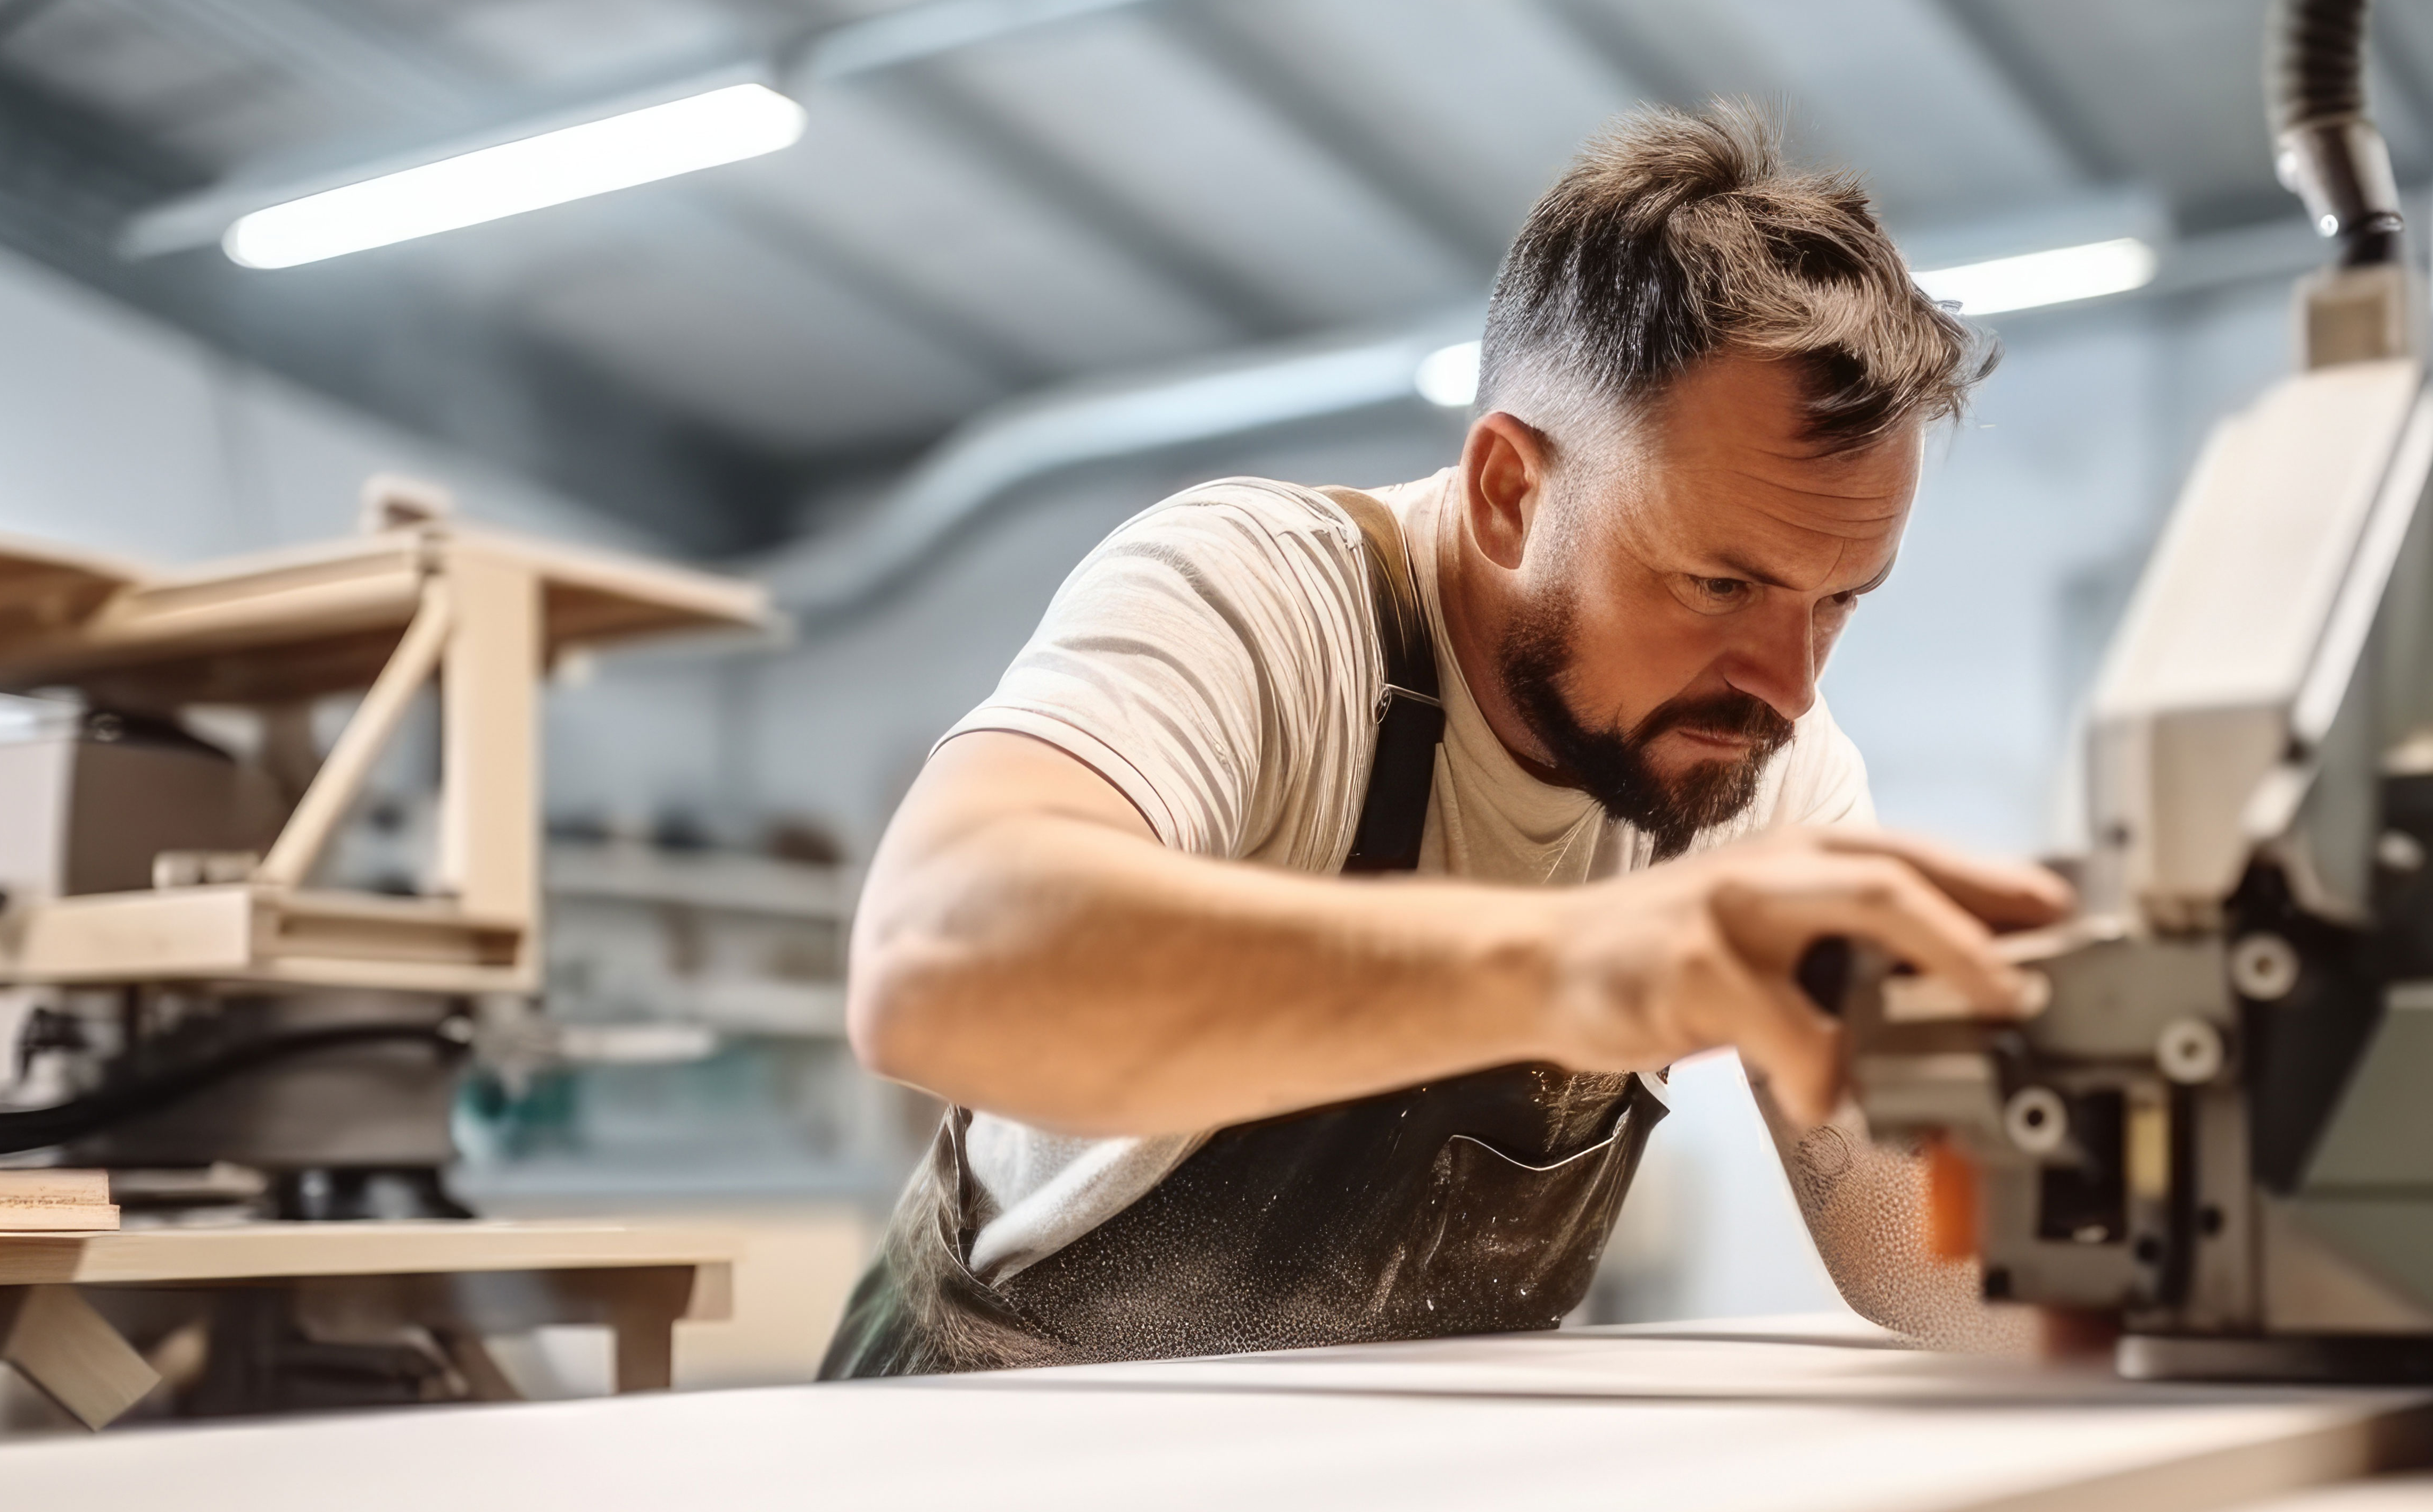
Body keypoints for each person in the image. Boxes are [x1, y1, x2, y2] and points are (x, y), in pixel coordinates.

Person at [821, 103, 2070, 1377]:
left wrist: (2170, 1253)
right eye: (1716, 585)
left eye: (1839, 600)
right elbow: (931, 964)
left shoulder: (1758, 763)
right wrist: (1587, 964)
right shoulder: (1260, 602)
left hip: (1362, 1474)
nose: (1789, 688)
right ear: (1507, 491)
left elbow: (1923, 1249)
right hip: (979, 1445)